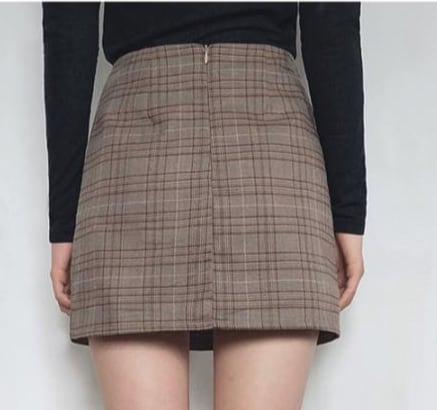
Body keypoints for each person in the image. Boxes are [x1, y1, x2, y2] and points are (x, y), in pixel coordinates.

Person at [42, 2, 366, 409]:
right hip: (271, 133)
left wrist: (65, 223)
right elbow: (331, 22)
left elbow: (68, 28)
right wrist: (347, 211)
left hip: (134, 136)